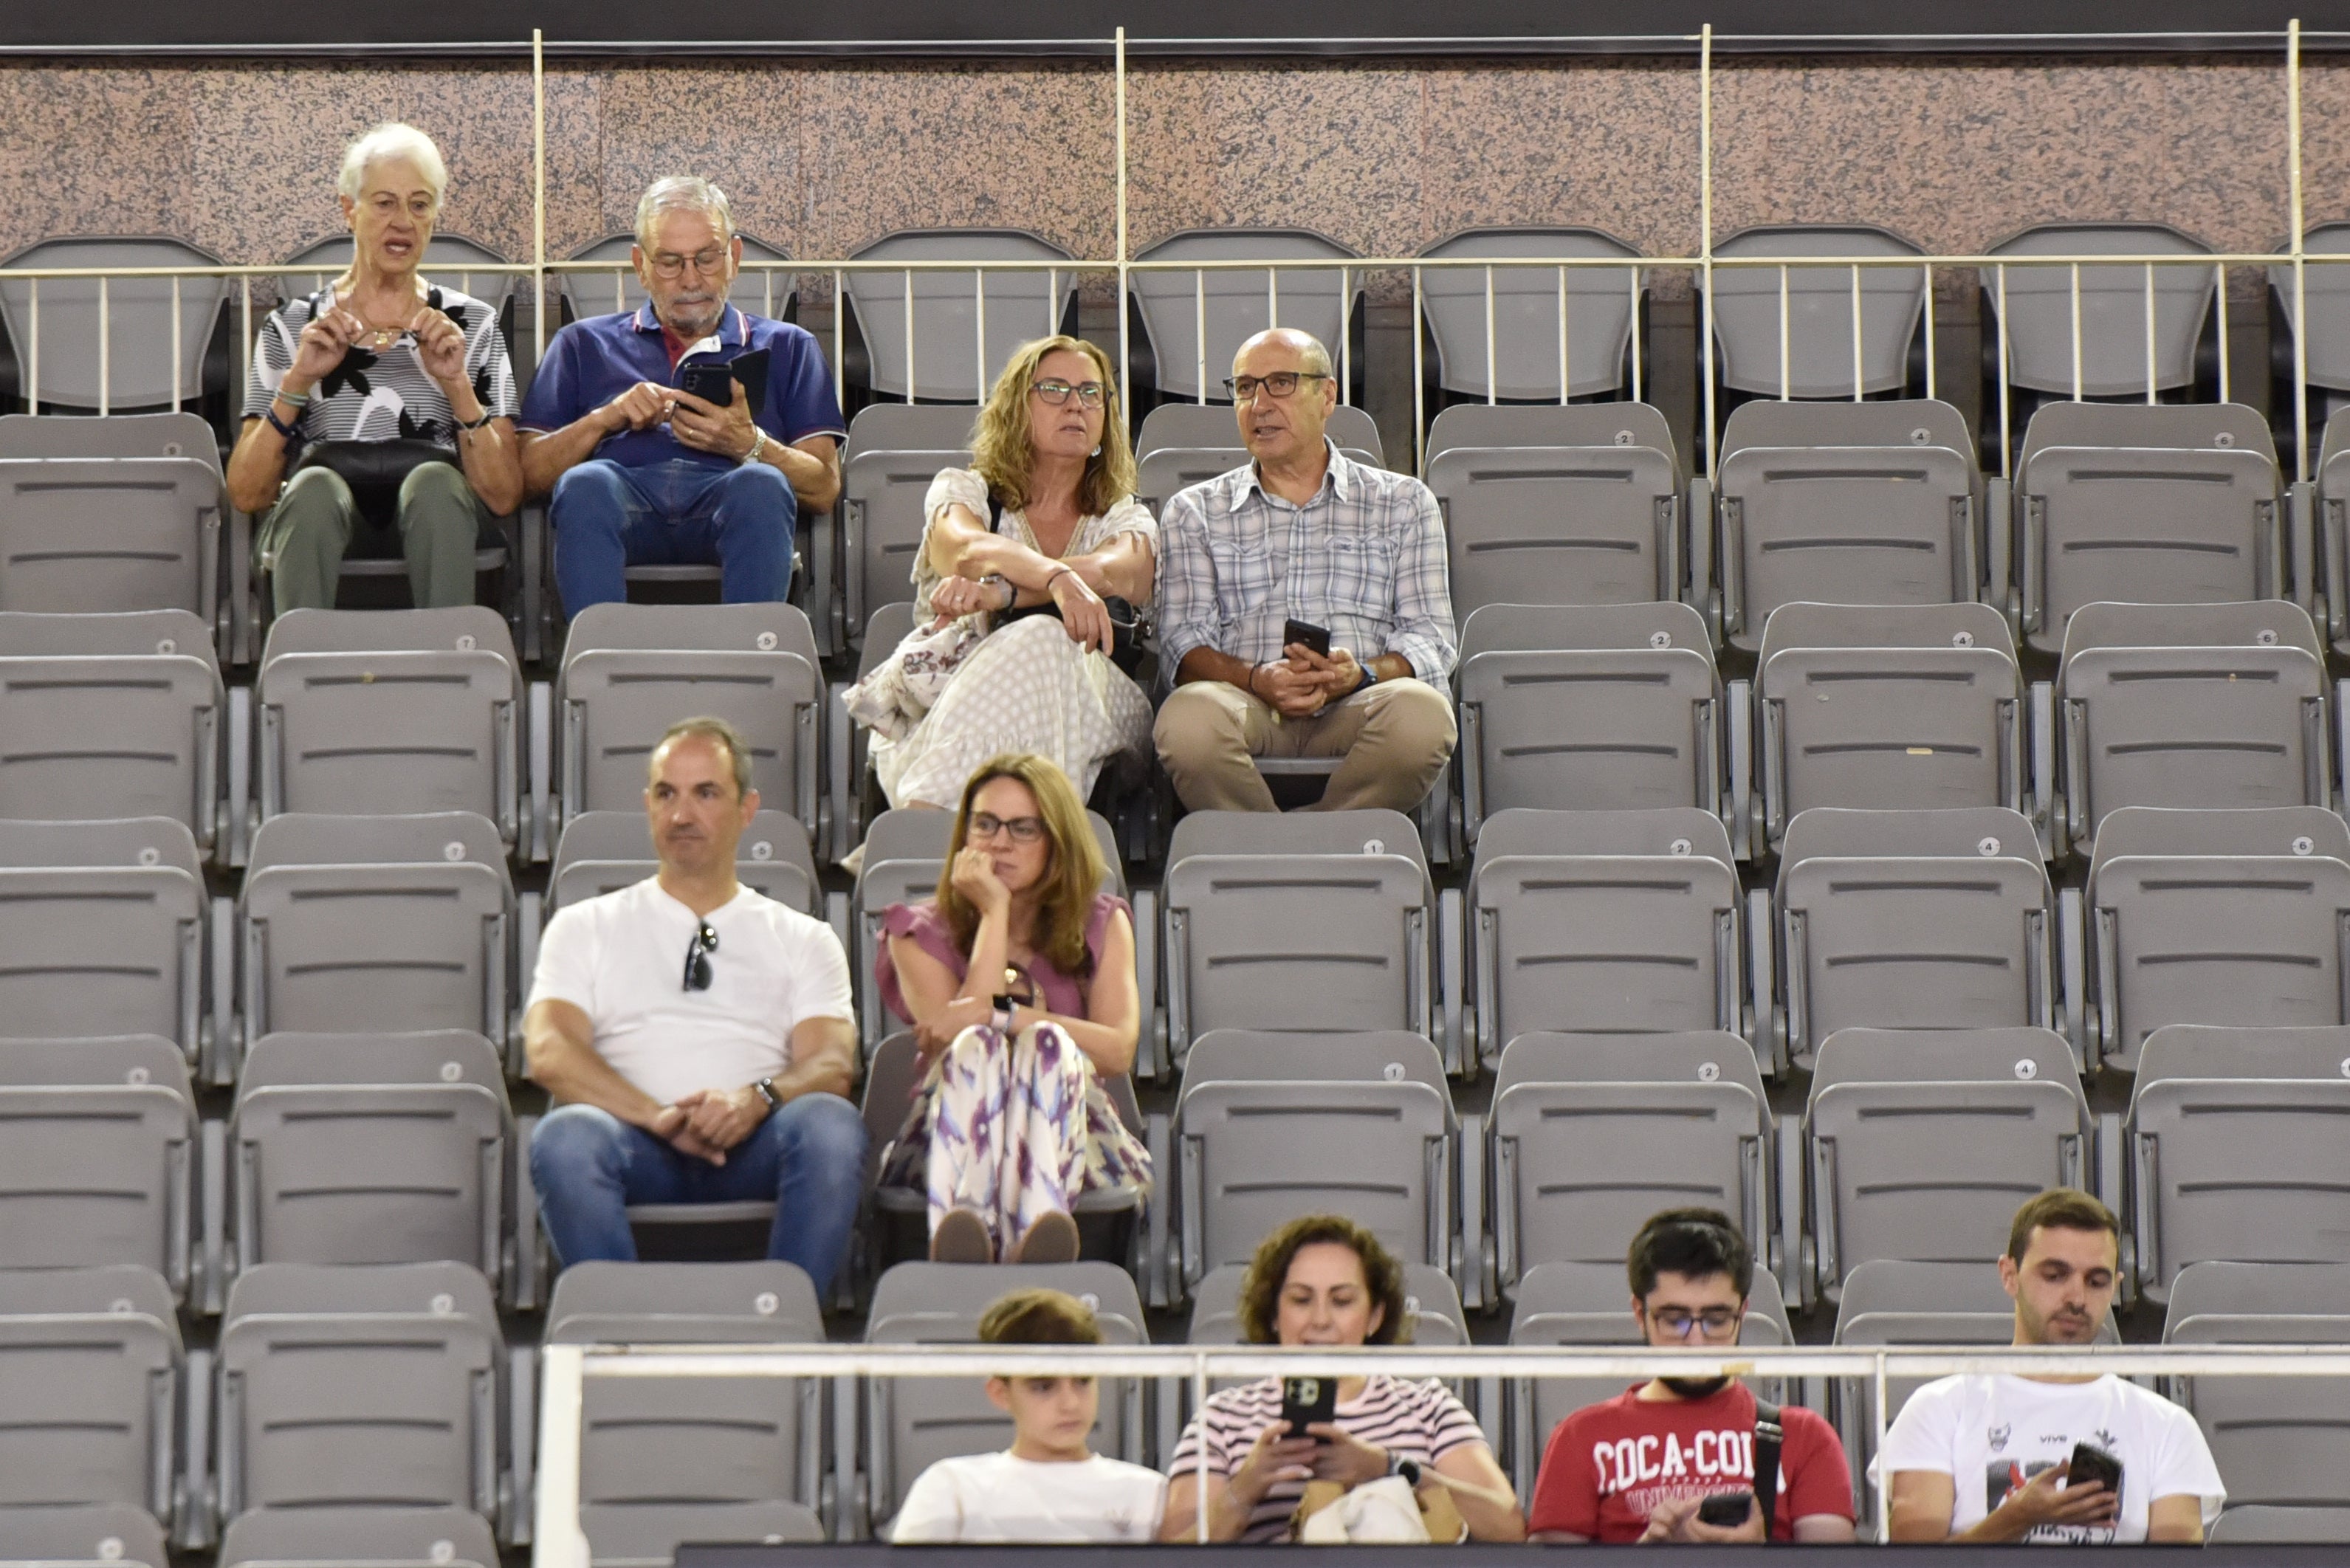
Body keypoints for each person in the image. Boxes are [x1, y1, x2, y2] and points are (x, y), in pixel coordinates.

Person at [524, 715, 866, 1291]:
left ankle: (783, 1333)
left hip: (757, 1143)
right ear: (648, 806)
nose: (682, 815)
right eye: (667, 795)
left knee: (831, 1126)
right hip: (634, 1144)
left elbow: (832, 1065)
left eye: (706, 793)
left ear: (747, 808)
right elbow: (548, 1051)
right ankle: (618, 1337)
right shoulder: (583, 926)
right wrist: (657, 1116)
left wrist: (755, 1100)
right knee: (565, 1137)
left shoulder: (803, 936)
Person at [1152, 327, 1457, 814]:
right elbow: (1182, 643)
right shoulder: (1195, 510)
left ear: (1327, 395)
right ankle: (1289, 856)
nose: (1259, 404)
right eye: (1246, 388)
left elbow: (1430, 636)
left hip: (1357, 705)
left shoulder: (1401, 502)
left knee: (1421, 716)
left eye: (1281, 383)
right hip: (1247, 704)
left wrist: (1357, 675)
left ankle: (1301, 851)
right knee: (1187, 720)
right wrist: (1256, 679)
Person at [227, 123, 522, 614]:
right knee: (313, 489)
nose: (402, 221)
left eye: (420, 204)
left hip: (436, 516)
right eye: (385, 203)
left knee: (435, 485)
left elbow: (504, 493)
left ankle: (451, 670)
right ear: (350, 210)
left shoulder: (473, 324)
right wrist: (298, 381)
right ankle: (300, 673)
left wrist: (455, 384)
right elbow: (246, 491)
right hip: (328, 517)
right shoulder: (294, 325)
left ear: (435, 217)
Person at [856, 334, 1156, 813]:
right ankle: (1040, 842)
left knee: (1042, 640)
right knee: (1038, 643)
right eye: (1054, 389)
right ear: (1017, 407)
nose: (1075, 405)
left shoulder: (1123, 516)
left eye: (1090, 392)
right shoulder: (966, 491)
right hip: (958, 696)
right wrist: (1057, 581)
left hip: (1099, 704)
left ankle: (930, 823)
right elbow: (966, 549)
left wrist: (1001, 596)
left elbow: (1118, 573)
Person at [518, 176, 845, 612]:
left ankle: (752, 665)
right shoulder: (581, 344)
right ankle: (596, 664)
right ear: (640, 265)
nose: (691, 279)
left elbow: (824, 487)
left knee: (761, 483)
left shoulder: (789, 346)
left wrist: (750, 445)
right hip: (622, 500)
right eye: (670, 262)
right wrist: (605, 419)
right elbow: (528, 475)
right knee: (586, 482)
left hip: (730, 500)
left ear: (734, 256)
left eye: (707, 258)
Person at [874, 752, 1149, 1264]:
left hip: (1076, 1135)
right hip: (943, 1138)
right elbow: (958, 1037)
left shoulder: (1104, 922)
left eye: (1022, 828)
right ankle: (994, 1235)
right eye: (984, 824)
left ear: (1056, 840)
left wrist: (1006, 1016)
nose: (999, 842)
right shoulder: (912, 932)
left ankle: (1018, 1233)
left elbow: (1117, 1050)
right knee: (978, 1049)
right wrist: (993, 912)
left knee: (1048, 1048)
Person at [1877, 1188, 2224, 1544]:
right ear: (2009, 1275)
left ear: (2116, 1288)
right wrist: (2015, 1518)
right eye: (2055, 1275)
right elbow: (1912, 1563)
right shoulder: (1938, 1409)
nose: (2076, 1298)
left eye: (2096, 1281)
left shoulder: (2166, 1426)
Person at [1160, 1214, 1523, 1543]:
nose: (1320, 1320)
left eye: (1342, 1301)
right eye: (1301, 1300)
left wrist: (1389, 1468)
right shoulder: (1222, 1417)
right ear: (1273, 1314)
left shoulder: (1429, 1406)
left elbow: (1508, 1528)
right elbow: (1168, 1557)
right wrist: (1246, 1487)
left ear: (1375, 1316)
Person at [1528, 1208, 1857, 1544]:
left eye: (1716, 1319)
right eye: (1674, 1320)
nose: (1696, 1340)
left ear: (1742, 1313)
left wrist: (1755, 1558)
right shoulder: (1581, 1436)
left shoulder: (1805, 1437)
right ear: (1640, 1314)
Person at [890, 1287, 1168, 1543]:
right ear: (1000, 1393)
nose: (1070, 1403)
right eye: (1044, 1387)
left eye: (1083, 1381)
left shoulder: (1149, 1493)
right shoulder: (951, 1487)